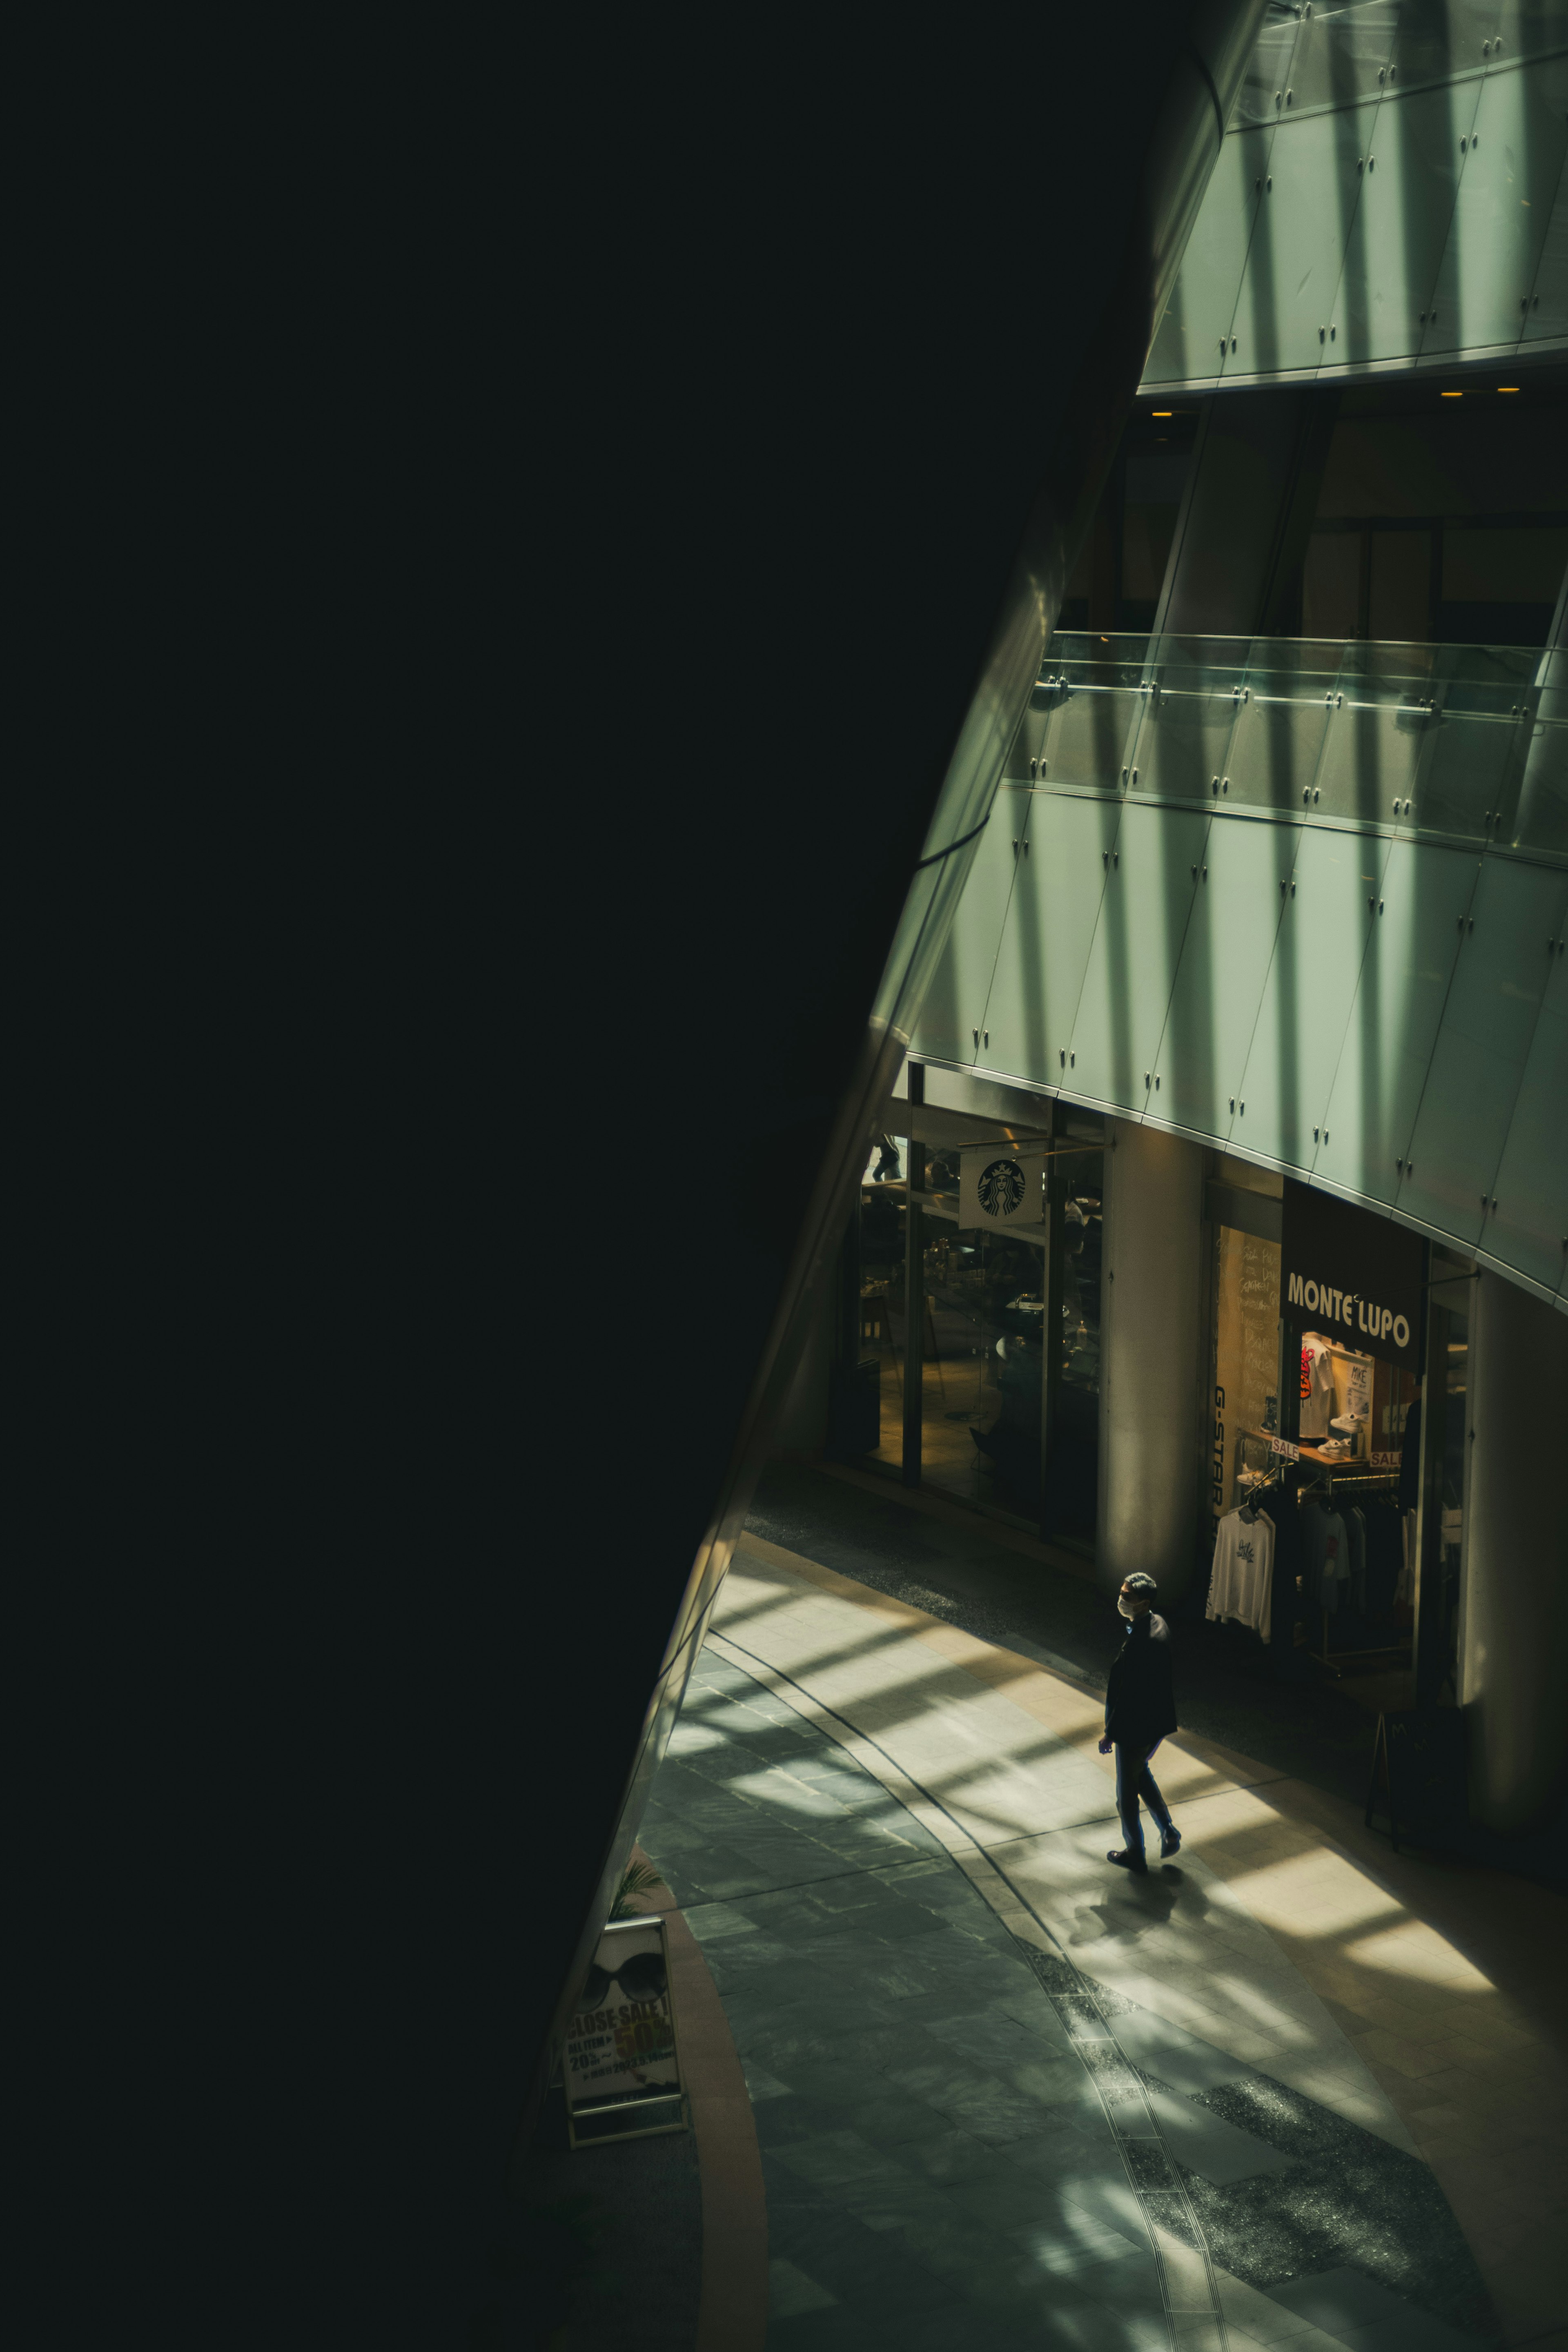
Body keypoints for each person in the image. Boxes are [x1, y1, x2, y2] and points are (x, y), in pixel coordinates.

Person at [1097, 1571, 1180, 1875]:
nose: (1121, 1599)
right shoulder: (1159, 1624)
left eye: (1127, 1596)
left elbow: (1128, 1695)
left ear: (1143, 1603)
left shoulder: (1140, 1645)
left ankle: (1135, 1851)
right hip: (1154, 1723)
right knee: (1141, 1774)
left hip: (1134, 1727)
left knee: (1126, 1795)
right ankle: (1168, 1829)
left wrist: (1110, 1734)